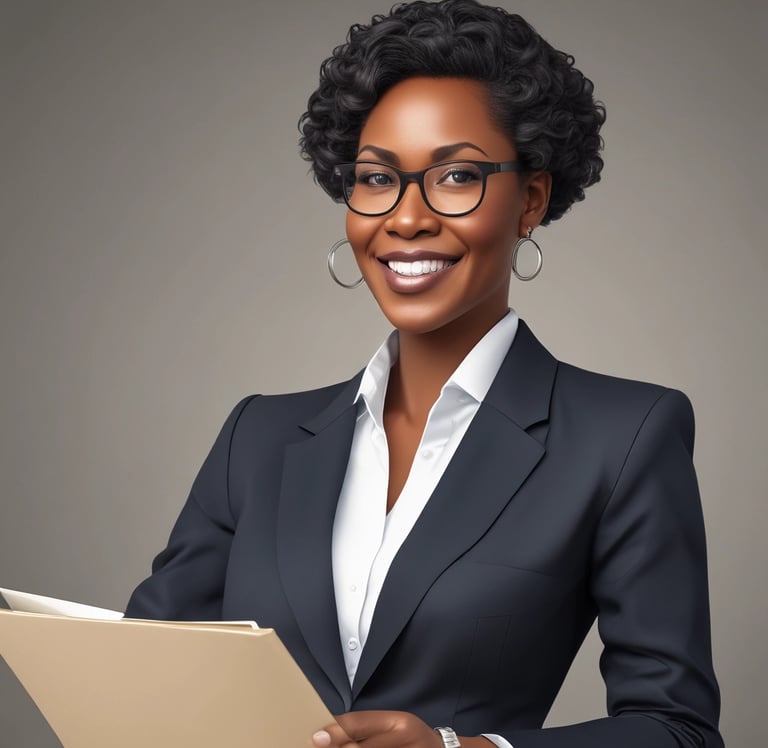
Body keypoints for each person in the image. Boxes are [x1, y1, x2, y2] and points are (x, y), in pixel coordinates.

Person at [125, 1, 722, 746]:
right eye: (376, 179)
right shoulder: (258, 437)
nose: (405, 218)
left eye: (456, 175)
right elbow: (139, 675)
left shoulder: (621, 437)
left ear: (530, 200)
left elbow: (676, 730)